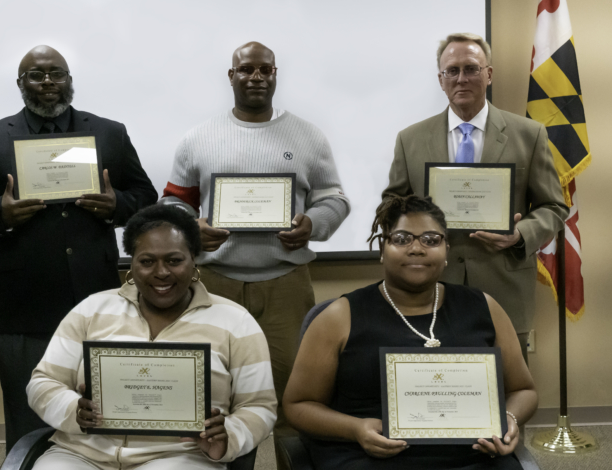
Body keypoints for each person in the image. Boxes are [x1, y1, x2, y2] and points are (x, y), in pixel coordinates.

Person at [0, 45, 158, 452]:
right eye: (35, 76)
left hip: (99, 300)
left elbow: (145, 195)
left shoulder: (109, 133)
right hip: (25, 306)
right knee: (29, 418)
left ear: (69, 79)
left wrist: (118, 207)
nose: (47, 84)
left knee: (109, 410)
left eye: (56, 74)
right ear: (21, 84)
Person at [159, 41, 350, 464]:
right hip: (213, 286)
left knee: (293, 400)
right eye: (246, 70)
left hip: (285, 286)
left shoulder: (306, 135)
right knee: (213, 401)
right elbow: (174, 202)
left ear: (275, 75)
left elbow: (334, 199)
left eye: (265, 70)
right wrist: (193, 228)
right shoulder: (199, 138)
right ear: (232, 76)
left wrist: (312, 225)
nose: (256, 77)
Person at [283, 195, 538, 470]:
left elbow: (523, 389)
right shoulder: (339, 316)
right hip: (368, 457)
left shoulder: (484, 307)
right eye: (402, 238)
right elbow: (299, 404)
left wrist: (509, 418)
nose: (417, 248)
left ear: (447, 249)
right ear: (383, 248)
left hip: (473, 456)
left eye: (431, 240)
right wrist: (355, 429)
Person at [26, 204, 277, 469]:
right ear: (132, 264)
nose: (161, 273)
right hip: (82, 452)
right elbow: (43, 382)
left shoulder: (235, 321)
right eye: (147, 261)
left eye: (174, 260)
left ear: (194, 260)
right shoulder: (92, 310)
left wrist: (228, 437)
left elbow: (259, 405)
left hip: (180, 456)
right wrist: (74, 410)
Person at [382, 33, 568, 361]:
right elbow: (391, 205)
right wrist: (413, 231)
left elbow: (553, 206)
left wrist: (520, 234)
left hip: (504, 287)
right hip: (428, 285)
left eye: (471, 68)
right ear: (440, 80)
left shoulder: (529, 134)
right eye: (451, 71)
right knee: (438, 391)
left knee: (506, 391)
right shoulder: (409, 139)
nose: (462, 78)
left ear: (489, 74)